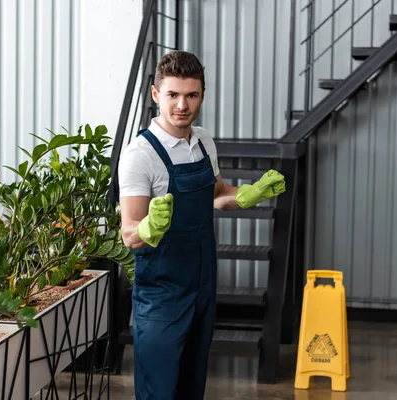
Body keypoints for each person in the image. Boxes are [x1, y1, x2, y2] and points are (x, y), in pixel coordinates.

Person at [118, 50, 286, 399]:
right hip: (161, 293)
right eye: (173, 95)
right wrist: (148, 229)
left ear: (202, 96)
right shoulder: (140, 155)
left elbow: (218, 193)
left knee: (192, 385)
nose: (182, 105)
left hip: (202, 284)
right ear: (155, 94)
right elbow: (129, 231)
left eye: (191, 95)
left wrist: (247, 195)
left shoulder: (204, 141)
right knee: (159, 390)